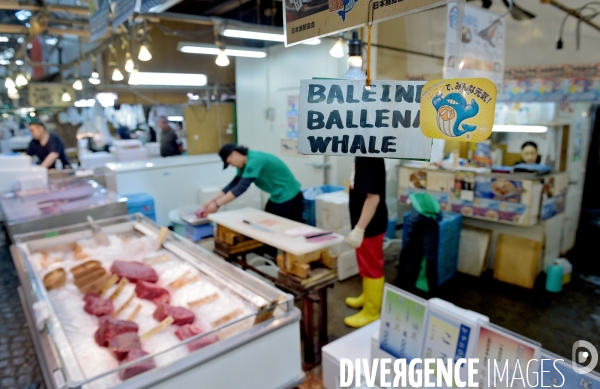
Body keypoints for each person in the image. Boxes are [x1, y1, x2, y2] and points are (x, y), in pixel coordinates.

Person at [202, 143, 303, 222]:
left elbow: (241, 188)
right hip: (276, 196)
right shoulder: (244, 164)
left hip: (290, 196)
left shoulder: (254, 161)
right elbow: (233, 184)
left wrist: (217, 204)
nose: (232, 166)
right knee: (268, 226)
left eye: (230, 162)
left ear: (235, 154)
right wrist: (211, 201)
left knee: (285, 230)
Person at [344, 157, 387, 328]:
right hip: (363, 222)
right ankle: (367, 296)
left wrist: (360, 229)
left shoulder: (370, 155)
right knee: (365, 265)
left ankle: (371, 311)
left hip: (370, 224)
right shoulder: (362, 152)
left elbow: (373, 198)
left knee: (372, 267)